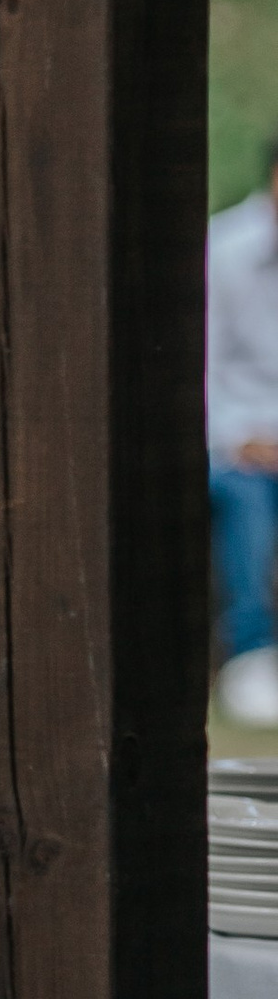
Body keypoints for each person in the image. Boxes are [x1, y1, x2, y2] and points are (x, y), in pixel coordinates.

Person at [211, 132, 278, 726]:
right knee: (246, 495)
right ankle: (253, 656)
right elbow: (196, 368)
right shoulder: (224, 249)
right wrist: (241, 436)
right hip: (233, 439)